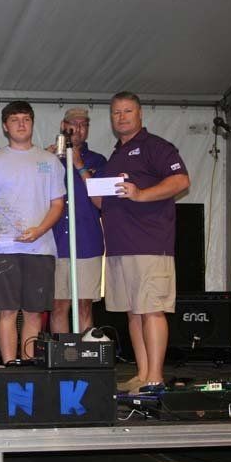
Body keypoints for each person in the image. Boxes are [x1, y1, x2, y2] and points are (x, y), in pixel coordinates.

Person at [96, 91, 190, 393]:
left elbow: (181, 181)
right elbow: (104, 201)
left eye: (127, 111)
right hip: (119, 247)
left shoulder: (155, 147)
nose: (121, 117)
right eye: (116, 112)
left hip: (149, 244)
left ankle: (155, 378)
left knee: (151, 309)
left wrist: (141, 194)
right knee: (133, 312)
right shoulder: (115, 156)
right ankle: (142, 374)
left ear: (140, 114)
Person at [0, 101, 65, 362]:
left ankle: (28, 365)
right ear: (5, 126)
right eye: (15, 120)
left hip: (40, 248)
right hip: (3, 248)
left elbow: (57, 204)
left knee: (34, 312)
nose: (21, 124)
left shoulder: (50, 161)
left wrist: (39, 230)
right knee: (6, 310)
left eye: (26, 119)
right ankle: (9, 366)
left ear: (32, 124)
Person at [47, 107, 106, 334]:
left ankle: (85, 351)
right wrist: (44, 159)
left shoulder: (98, 161)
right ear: (64, 126)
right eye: (74, 124)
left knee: (84, 304)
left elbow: (101, 202)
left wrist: (80, 165)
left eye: (84, 125)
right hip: (55, 244)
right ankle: (64, 351)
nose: (78, 129)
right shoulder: (48, 159)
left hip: (87, 243)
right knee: (58, 305)